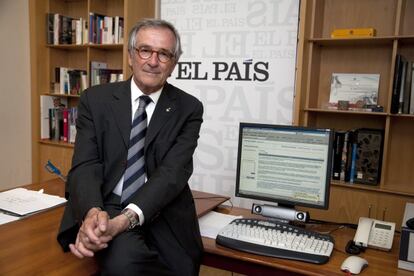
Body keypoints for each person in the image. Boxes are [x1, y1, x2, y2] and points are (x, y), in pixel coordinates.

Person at [57, 18, 204, 276]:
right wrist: (93, 213)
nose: (153, 61)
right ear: (130, 56)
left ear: (173, 64)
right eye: (145, 50)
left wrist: (124, 222)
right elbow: (85, 164)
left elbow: (171, 174)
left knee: (182, 267)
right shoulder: (95, 99)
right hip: (108, 202)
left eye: (164, 54)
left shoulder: (189, 108)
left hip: (163, 205)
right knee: (122, 266)